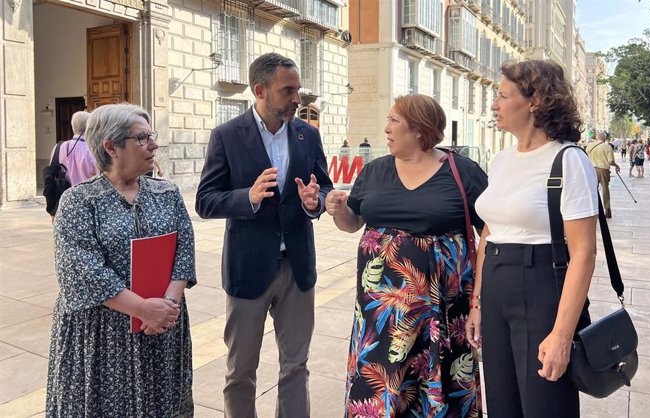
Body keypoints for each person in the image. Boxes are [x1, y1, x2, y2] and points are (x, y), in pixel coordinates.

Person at [326, 94, 486, 416]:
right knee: (380, 387)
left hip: (441, 311)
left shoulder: (463, 172)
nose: (385, 129)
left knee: (437, 388)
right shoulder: (374, 171)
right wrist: (337, 210)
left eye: (393, 121)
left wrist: (479, 302)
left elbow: (492, 233)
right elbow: (353, 223)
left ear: (418, 129)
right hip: (380, 317)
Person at [195, 52, 333, 417]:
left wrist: (313, 201)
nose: (297, 99)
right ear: (260, 90)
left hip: (297, 269)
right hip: (248, 268)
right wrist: (248, 198)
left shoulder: (307, 134)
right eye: (288, 90)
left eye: (298, 90)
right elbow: (205, 201)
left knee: (296, 365)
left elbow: (324, 189)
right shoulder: (226, 136)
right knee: (240, 370)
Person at [45, 103, 196, 417]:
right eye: (142, 138)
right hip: (103, 336)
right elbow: (82, 270)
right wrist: (141, 309)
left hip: (161, 327)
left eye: (150, 136)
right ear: (111, 147)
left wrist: (166, 307)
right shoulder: (78, 201)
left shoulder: (167, 193)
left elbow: (184, 251)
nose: (153, 144)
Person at [468, 60, 599, 418]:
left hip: (540, 287)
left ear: (534, 103)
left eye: (502, 96)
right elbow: (490, 232)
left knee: (544, 404)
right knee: (502, 402)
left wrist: (561, 334)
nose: (494, 104)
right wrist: (477, 302)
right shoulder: (502, 160)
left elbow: (584, 253)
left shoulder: (567, 160)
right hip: (496, 286)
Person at [48, 111, 98, 186]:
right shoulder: (93, 150)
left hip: (63, 194)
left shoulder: (58, 147)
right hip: (87, 194)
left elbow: (52, 170)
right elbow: (100, 177)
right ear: (89, 127)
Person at [586, 131, 620, 218]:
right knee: (605, 190)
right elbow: (610, 161)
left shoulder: (589, 146)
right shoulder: (607, 146)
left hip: (591, 170)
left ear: (597, 138)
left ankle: (593, 211)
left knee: (593, 190)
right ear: (604, 138)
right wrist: (616, 165)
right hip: (603, 170)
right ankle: (607, 211)